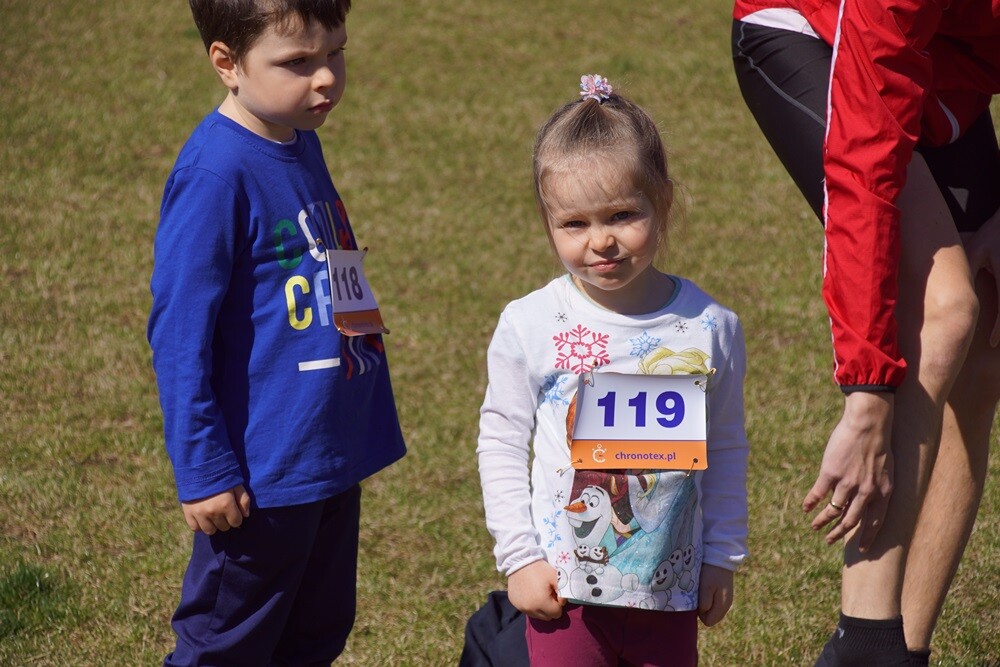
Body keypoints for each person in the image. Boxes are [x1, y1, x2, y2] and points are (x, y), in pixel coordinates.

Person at [732, 2, 1000, 664]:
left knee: (986, 345)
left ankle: (901, 650)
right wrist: (868, 390)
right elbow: (864, 168)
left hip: (946, 61)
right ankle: (863, 639)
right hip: (817, 34)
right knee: (946, 309)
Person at [146, 0, 406, 664]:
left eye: (336, 54)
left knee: (316, 630)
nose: (325, 78)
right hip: (262, 473)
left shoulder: (298, 138)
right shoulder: (215, 173)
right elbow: (179, 334)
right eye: (297, 62)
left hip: (325, 451)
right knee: (228, 641)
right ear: (227, 63)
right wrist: (203, 468)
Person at [476, 75, 750, 666]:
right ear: (548, 221)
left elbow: (726, 445)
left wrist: (721, 557)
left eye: (623, 214)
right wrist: (521, 559)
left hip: (669, 592)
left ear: (664, 202)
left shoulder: (710, 327)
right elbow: (500, 442)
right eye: (574, 224)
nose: (600, 241)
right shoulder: (533, 323)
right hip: (564, 593)